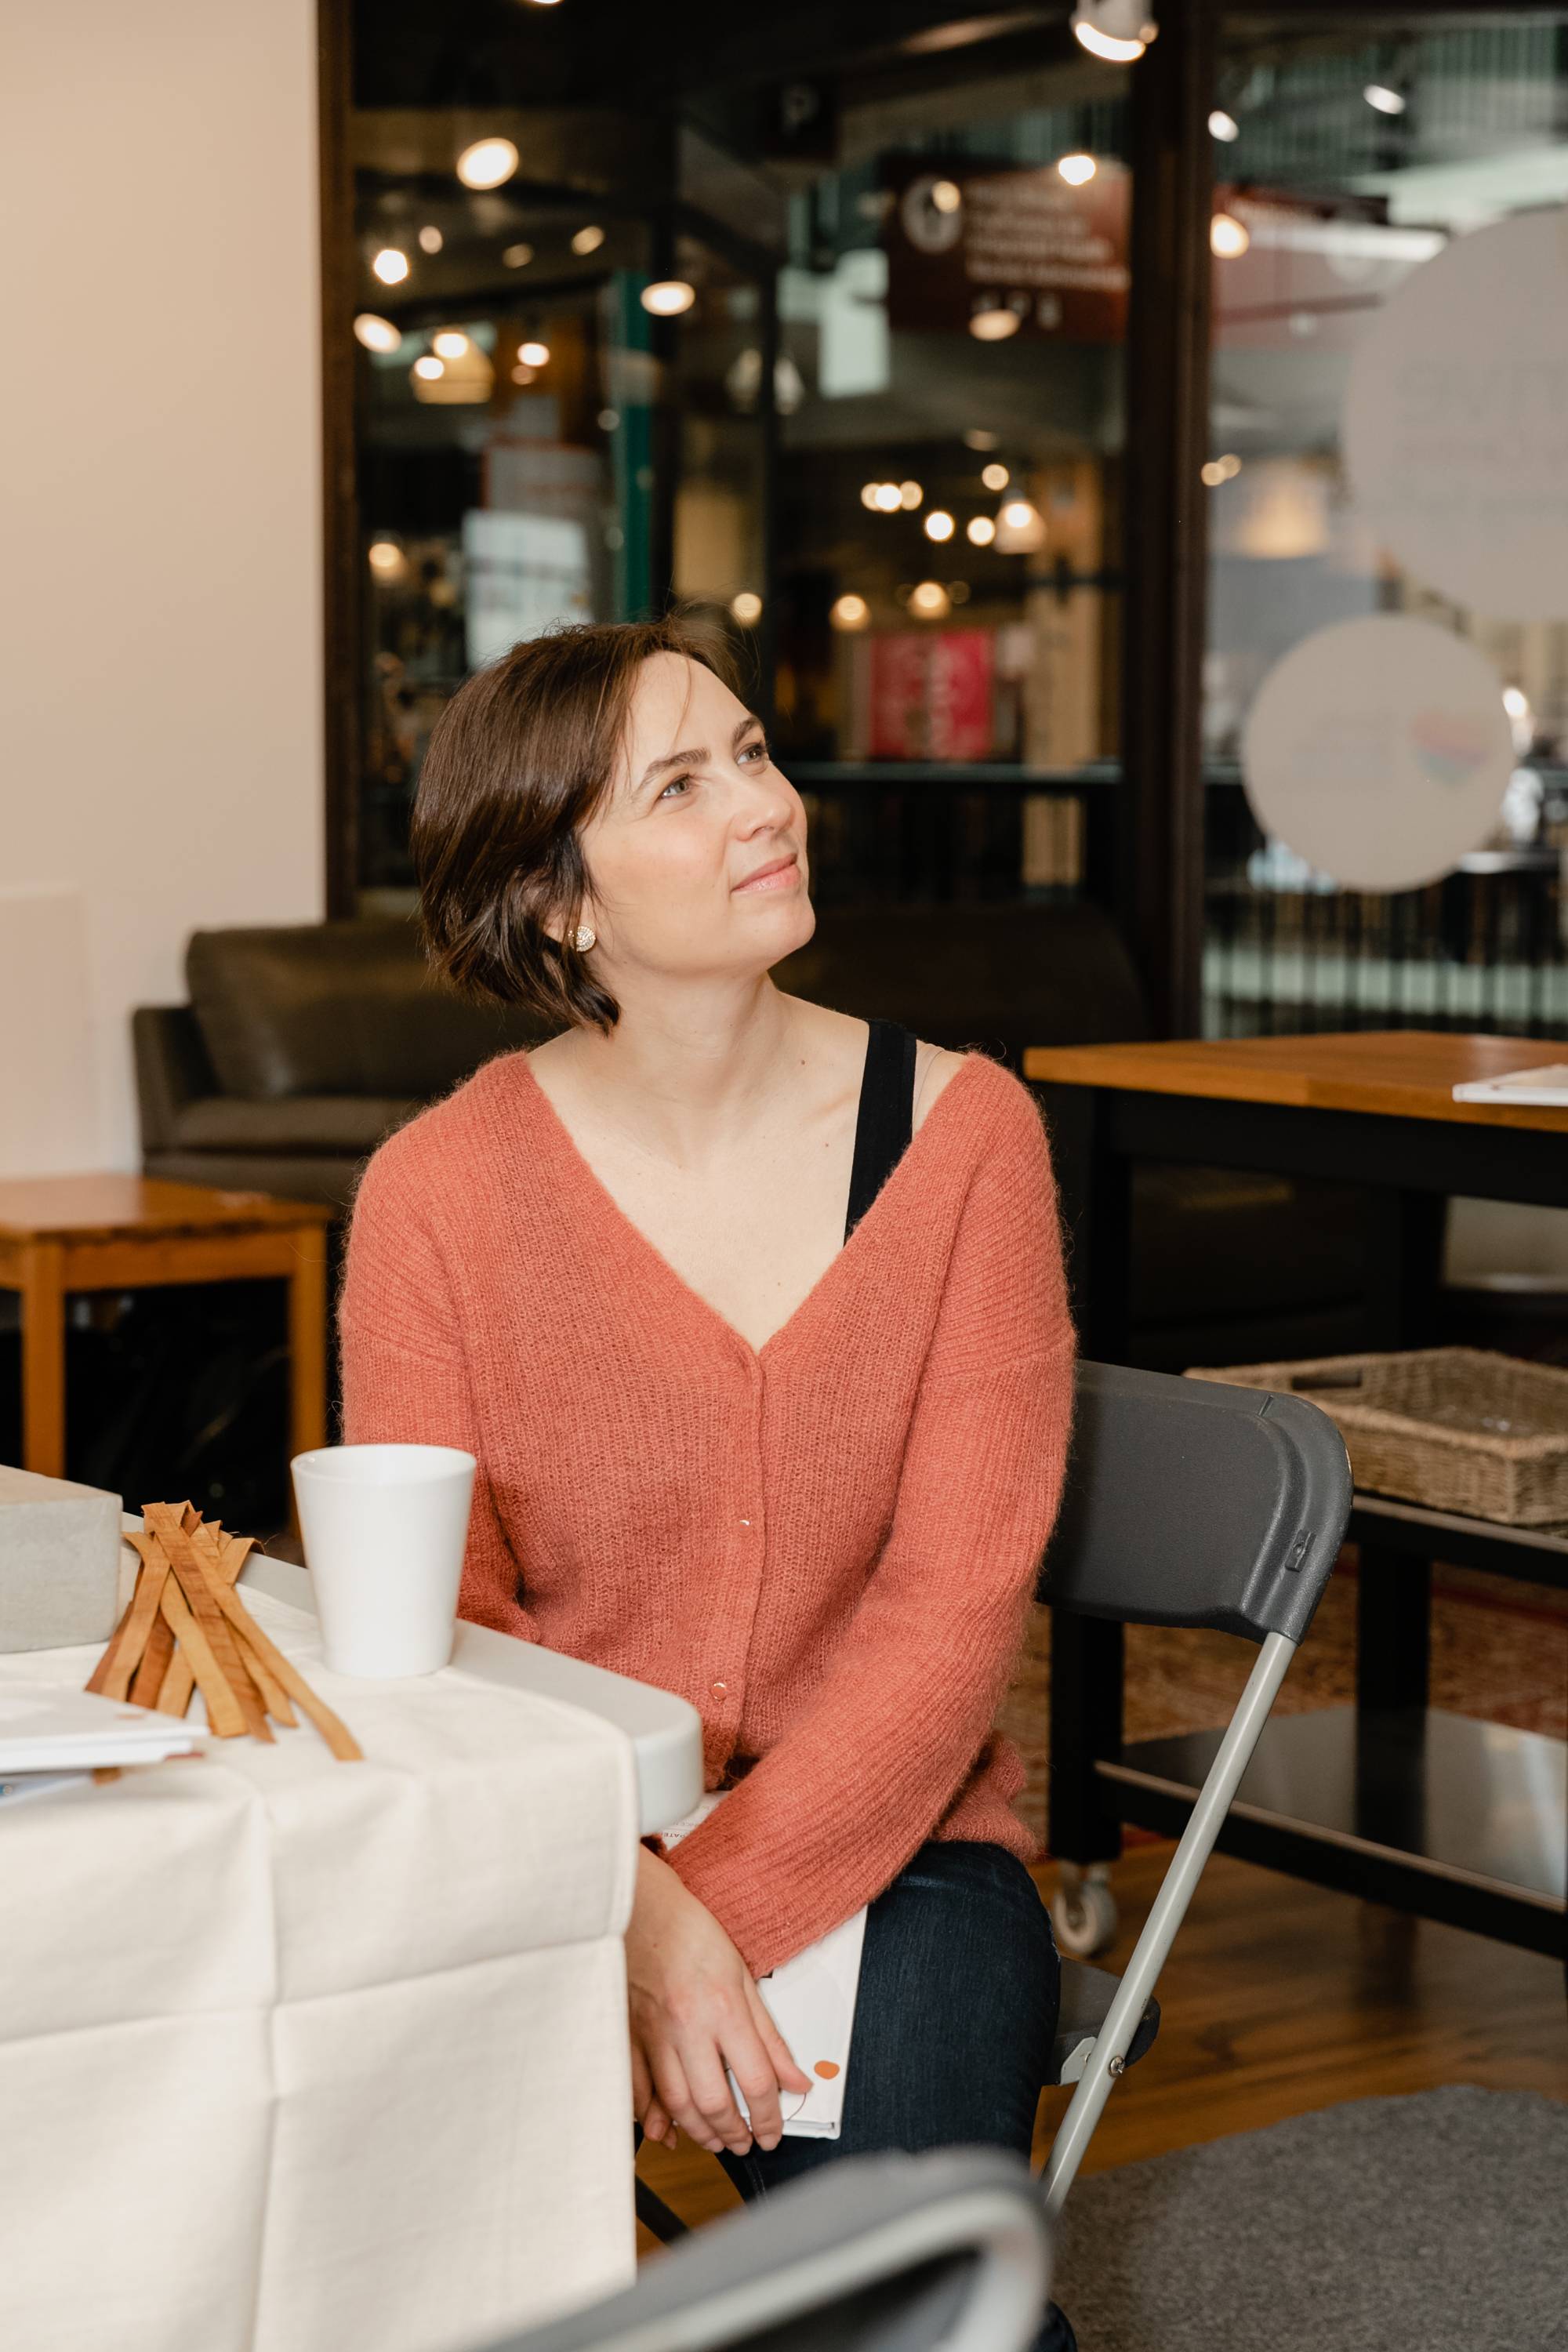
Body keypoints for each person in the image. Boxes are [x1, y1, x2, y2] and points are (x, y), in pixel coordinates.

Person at [338, 614, 1078, 2349]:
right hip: (553, 1857)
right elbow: (447, 1623)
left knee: (909, 2287)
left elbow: (956, 1603)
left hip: (901, 1849)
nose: (766, 805)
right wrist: (620, 1904)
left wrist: (697, 1929)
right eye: (681, 784)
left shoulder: (966, 1137)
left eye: (752, 751)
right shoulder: (436, 1196)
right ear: (559, 900)